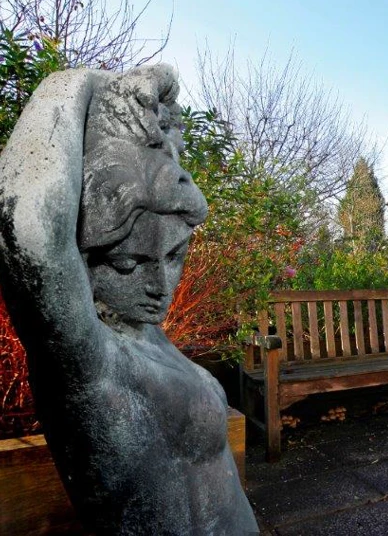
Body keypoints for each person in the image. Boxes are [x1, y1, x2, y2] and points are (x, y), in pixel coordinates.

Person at [0, 66, 257, 534]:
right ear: (85, 260)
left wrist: (148, 127)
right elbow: (30, 232)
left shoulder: (146, 337)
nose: (161, 284)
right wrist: (77, 81)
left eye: (174, 256)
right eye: (127, 265)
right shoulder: (88, 361)